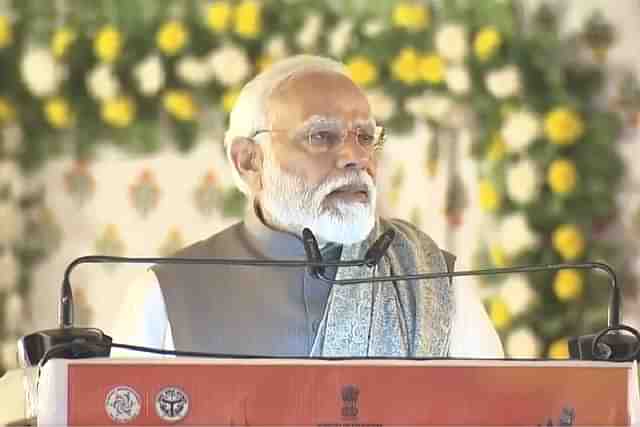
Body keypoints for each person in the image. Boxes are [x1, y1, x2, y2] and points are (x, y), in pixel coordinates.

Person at [112, 55, 503, 358]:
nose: (355, 156)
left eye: (366, 136)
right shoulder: (168, 295)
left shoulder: (433, 280)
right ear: (249, 160)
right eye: (321, 136)